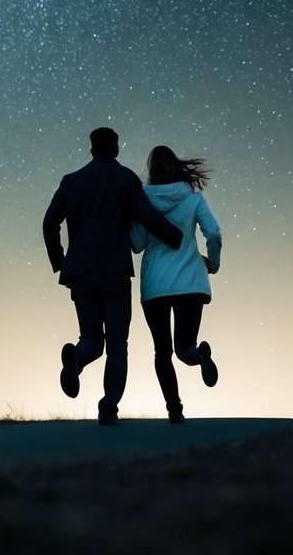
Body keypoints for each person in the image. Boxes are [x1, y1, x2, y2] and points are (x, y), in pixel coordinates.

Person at [42, 128, 184, 425]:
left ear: (92, 149)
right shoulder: (125, 179)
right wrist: (174, 237)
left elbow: (49, 223)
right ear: (116, 148)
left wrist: (61, 261)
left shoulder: (71, 182)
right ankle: (108, 407)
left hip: (81, 272)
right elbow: (145, 215)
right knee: (117, 344)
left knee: (91, 338)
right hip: (115, 272)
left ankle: (77, 359)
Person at [131, 145, 222, 424]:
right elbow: (214, 233)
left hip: (156, 286)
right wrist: (213, 263)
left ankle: (174, 409)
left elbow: (136, 245)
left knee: (162, 351)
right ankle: (198, 356)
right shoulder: (194, 200)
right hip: (190, 283)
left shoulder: (143, 201)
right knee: (184, 347)